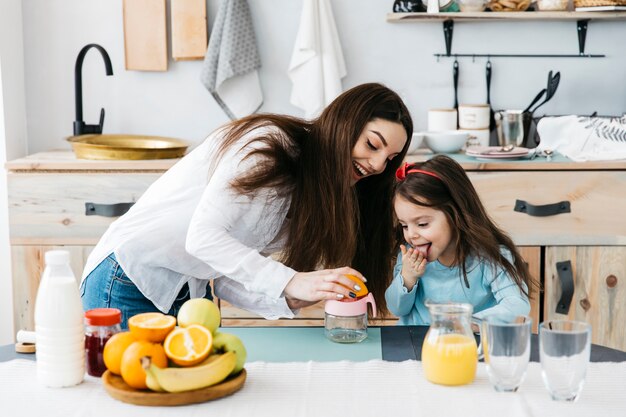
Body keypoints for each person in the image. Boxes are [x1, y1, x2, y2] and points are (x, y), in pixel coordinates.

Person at [81, 83, 413, 328]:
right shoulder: (267, 145)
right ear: (345, 123)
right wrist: (289, 281)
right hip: (128, 276)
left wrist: (293, 297)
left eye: (390, 158)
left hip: (189, 293)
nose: (377, 165)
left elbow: (226, 277)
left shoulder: (316, 193)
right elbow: (202, 237)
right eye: (372, 144)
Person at [385, 156, 535, 325]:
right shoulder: (409, 258)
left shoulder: (488, 258)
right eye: (404, 225)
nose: (411, 235)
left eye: (422, 224)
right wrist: (407, 278)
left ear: (456, 214)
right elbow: (396, 308)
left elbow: (517, 305)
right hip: (414, 345)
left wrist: (463, 322)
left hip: (466, 345)